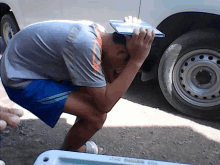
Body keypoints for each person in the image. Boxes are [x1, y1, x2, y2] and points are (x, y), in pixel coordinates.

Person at [0, 16, 154, 154]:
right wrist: (135, 61)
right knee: (97, 115)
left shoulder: (98, 34)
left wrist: (133, 34)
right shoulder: (85, 45)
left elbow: (111, 84)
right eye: (122, 67)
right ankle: (69, 151)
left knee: (95, 93)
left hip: (27, 64)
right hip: (19, 77)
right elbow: (105, 104)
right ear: (120, 52)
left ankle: (73, 144)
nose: (119, 71)